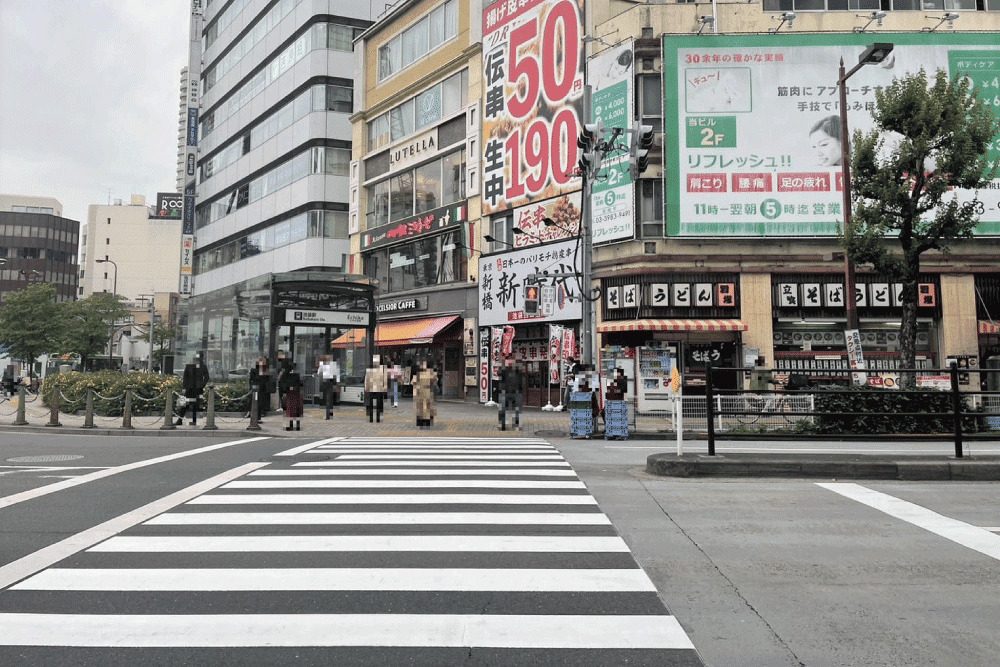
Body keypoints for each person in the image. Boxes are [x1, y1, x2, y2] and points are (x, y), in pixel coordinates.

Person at [176, 353, 209, 425]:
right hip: (189, 388)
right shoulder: (189, 367)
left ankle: (194, 421)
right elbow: (185, 378)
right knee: (185, 404)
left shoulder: (203, 367)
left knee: (196, 405)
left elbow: (206, 377)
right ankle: (180, 420)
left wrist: (202, 385)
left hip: (198, 389)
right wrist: (184, 387)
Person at [497, 358, 525, 431]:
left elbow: (522, 380)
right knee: (502, 409)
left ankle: (516, 424)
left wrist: (520, 389)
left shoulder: (518, 371)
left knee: (517, 410)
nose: (510, 363)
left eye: (512, 361)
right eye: (508, 361)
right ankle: (502, 424)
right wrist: (502, 365)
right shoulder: (504, 371)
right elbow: (499, 374)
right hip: (505, 391)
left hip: (516, 392)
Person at [412, 360, 438, 429]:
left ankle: (427, 422)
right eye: (423, 365)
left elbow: (435, 380)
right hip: (420, 392)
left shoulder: (430, 373)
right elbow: (413, 382)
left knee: (428, 408)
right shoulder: (419, 374)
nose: (424, 366)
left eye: (425, 365)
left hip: (427, 392)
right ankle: (421, 422)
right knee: (421, 408)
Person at [364, 355, 388, 423]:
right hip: (377, 388)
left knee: (374, 404)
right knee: (377, 404)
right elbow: (367, 379)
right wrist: (384, 387)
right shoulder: (381, 369)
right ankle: (377, 419)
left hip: (374, 388)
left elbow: (366, 379)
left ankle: (373, 418)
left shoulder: (371, 369)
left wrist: (366, 388)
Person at [281, 362, 304, 431]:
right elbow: (300, 384)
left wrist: (286, 389)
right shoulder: (296, 375)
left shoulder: (285, 375)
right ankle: (297, 425)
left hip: (289, 393)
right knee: (297, 409)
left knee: (290, 410)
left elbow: (282, 384)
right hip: (296, 393)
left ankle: (291, 425)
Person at [248, 356, 272, 422]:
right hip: (256, 389)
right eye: (262, 362)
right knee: (256, 403)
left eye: (264, 362)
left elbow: (268, 380)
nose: (263, 363)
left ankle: (259, 416)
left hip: (263, 389)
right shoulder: (254, 370)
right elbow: (251, 379)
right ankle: (255, 417)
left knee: (261, 403)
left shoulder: (266, 370)